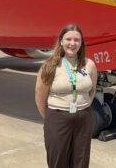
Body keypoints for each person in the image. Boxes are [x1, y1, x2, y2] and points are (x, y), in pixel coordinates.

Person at [35, 24, 98, 168]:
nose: (72, 43)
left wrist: (83, 108)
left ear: (81, 43)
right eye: (68, 39)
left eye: (77, 40)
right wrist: (53, 117)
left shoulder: (89, 65)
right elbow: (40, 98)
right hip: (58, 117)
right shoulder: (49, 66)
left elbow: (92, 90)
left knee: (81, 161)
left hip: (83, 118)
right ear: (61, 41)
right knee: (57, 161)